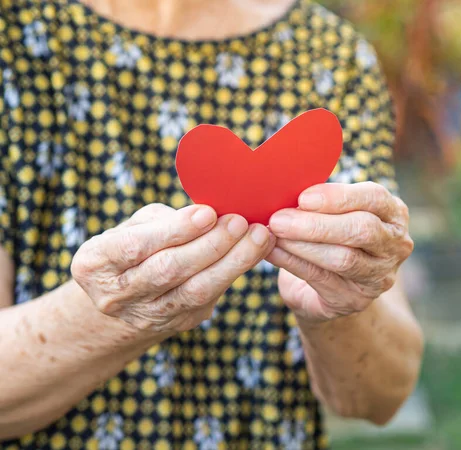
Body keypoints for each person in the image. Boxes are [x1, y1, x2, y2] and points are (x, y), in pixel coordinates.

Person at [0, 0, 423, 448]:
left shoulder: (332, 56)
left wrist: (337, 308)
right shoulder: (15, 39)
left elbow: (382, 396)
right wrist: (118, 312)